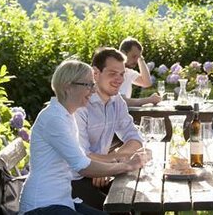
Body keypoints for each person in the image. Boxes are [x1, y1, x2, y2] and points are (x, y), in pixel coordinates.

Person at [19, 60, 146, 215]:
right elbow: (82, 166)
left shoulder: (66, 115)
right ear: (67, 87)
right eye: (88, 85)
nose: (93, 91)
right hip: (42, 207)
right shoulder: (54, 119)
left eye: (93, 85)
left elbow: (82, 159)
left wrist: (117, 162)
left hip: (62, 202)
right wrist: (127, 166)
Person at [72, 48, 147, 210]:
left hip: (101, 174)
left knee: (144, 197)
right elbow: (82, 158)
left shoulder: (116, 100)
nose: (119, 79)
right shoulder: (80, 105)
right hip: (72, 180)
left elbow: (135, 138)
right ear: (95, 73)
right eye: (113, 73)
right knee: (122, 207)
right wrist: (113, 163)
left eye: (122, 74)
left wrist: (112, 161)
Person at [117, 38, 161, 106]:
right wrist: (149, 100)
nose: (136, 61)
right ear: (122, 53)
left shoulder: (128, 72)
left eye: (138, 57)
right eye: (134, 56)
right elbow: (121, 101)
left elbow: (147, 83)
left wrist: (141, 59)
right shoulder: (113, 72)